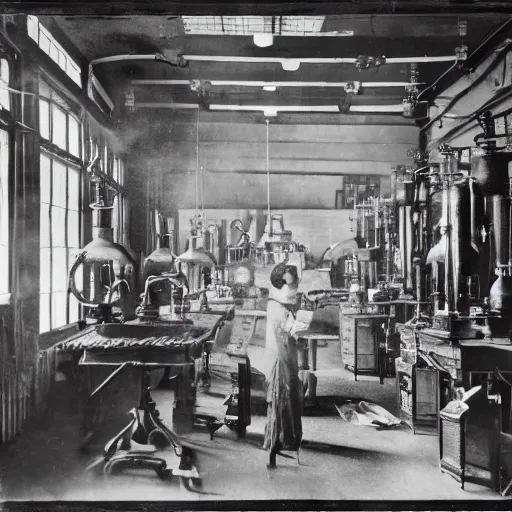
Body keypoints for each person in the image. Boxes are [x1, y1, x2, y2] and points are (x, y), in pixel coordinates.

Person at [263, 263, 303, 468]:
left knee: (289, 398)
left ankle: (286, 439)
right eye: (290, 285)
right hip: (280, 357)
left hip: (286, 353)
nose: (293, 289)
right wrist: (297, 325)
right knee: (282, 400)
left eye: (295, 284)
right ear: (280, 285)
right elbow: (287, 332)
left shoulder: (280, 303)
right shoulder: (277, 305)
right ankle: (279, 441)